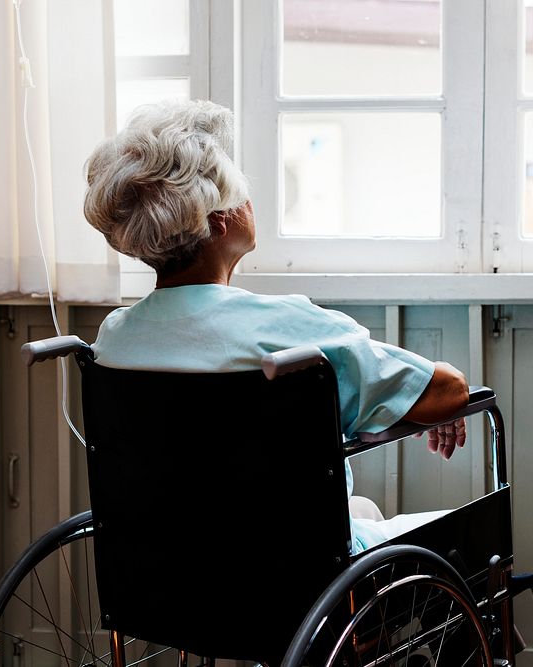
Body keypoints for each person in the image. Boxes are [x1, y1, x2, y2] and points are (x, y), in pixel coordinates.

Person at [83, 99, 468, 553]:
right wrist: (418, 395)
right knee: (468, 532)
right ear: (219, 220)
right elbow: (449, 393)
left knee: (360, 509)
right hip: (293, 563)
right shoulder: (290, 332)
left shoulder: (115, 339)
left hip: (170, 564)